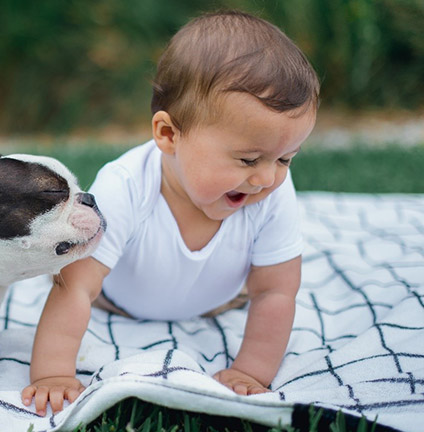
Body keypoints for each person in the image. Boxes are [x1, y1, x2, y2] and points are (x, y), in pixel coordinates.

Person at [21, 10, 320, 416]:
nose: (266, 178)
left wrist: (251, 372)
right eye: (248, 158)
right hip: (118, 301)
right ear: (168, 135)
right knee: (69, 272)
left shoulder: (270, 193)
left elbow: (276, 291)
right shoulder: (126, 185)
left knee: (262, 285)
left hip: (220, 300)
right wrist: (52, 374)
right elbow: (75, 288)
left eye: (286, 158)